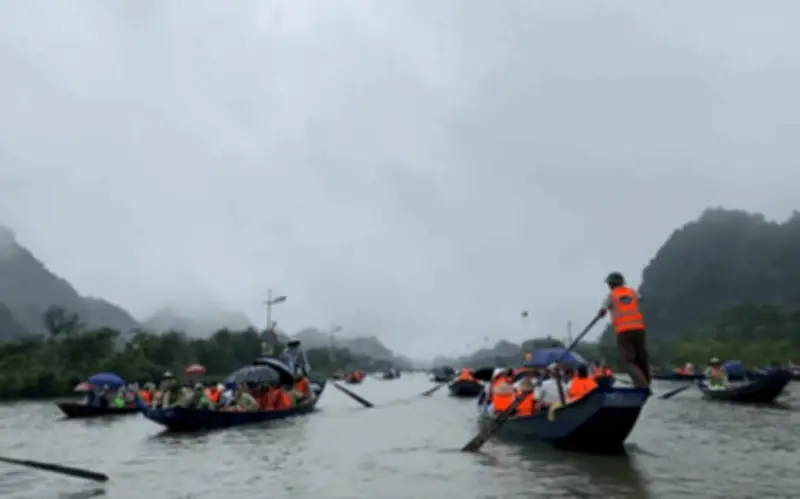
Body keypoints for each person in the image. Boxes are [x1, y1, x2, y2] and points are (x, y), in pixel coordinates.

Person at [597, 271, 650, 388]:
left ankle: (642, 385)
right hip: (639, 330)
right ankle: (646, 382)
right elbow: (639, 299)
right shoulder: (632, 292)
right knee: (642, 357)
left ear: (611, 284)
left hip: (623, 332)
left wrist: (601, 314)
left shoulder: (611, 296)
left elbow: (602, 311)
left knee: (629, 360)